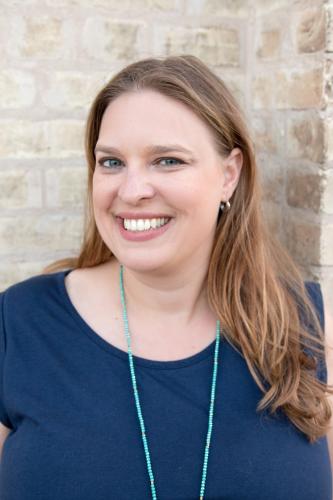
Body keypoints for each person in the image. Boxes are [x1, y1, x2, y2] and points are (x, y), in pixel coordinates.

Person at [0, 55, 332, 500]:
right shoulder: (19, 324)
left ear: (229, 176)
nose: (132, 190)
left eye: (168, 160)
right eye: (112, 162)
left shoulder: (310, 328)